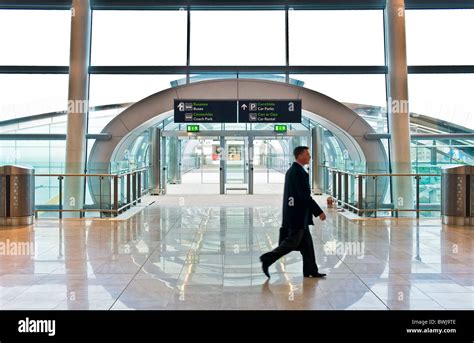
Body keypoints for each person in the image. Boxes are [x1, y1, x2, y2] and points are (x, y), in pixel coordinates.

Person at [260, 146, 327, 278]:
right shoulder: (297, 172)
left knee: (307, 246)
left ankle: (310, 270)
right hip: (297, 215)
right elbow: (304, 196)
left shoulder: (295, 170)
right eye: (307, 154)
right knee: (291, 243)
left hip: (298, 214)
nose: (309, 156)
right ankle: (267, 258)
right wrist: (319, 212)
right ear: (300, 156)